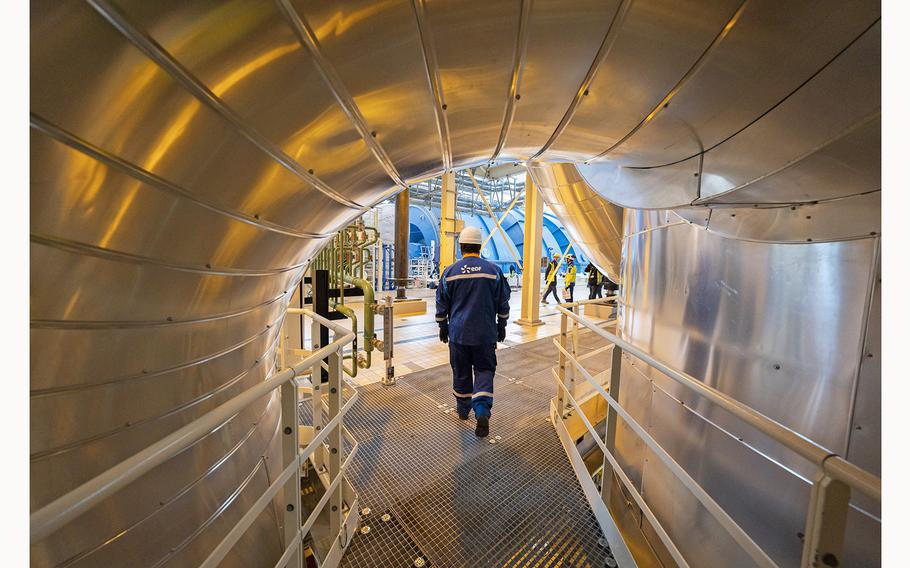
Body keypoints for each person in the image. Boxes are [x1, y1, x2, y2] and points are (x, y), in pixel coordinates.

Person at [436, 226, 511, 437]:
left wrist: (443, 325)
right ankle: (482, 411)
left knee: (460, 371)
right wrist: (502, 326)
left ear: (461, 247)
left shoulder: (450, 273)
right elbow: (503, 302)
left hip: (458, 335)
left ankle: (462, 410)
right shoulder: (493, 271)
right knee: (484, 370)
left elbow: (441, 302)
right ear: (480, 246)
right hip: (485, 335)